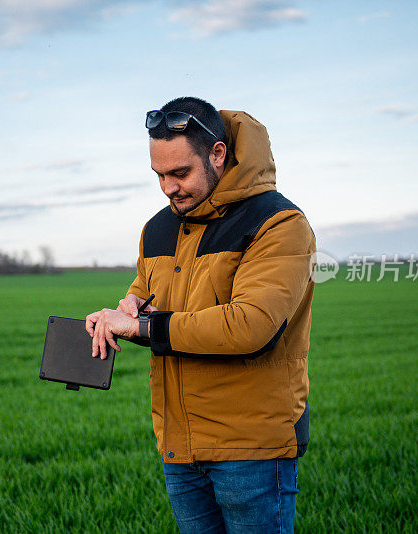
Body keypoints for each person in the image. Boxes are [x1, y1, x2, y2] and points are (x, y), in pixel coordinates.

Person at [86, 97, 315, 534]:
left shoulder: (279, 223)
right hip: (179, 447)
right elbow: (144, 303)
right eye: (159, 176)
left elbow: (250, 326)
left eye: (180, 173)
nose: (169, 188)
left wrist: (144, 324)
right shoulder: (158, 227)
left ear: (217, 154)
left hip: (252, 451)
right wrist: (121, 315)